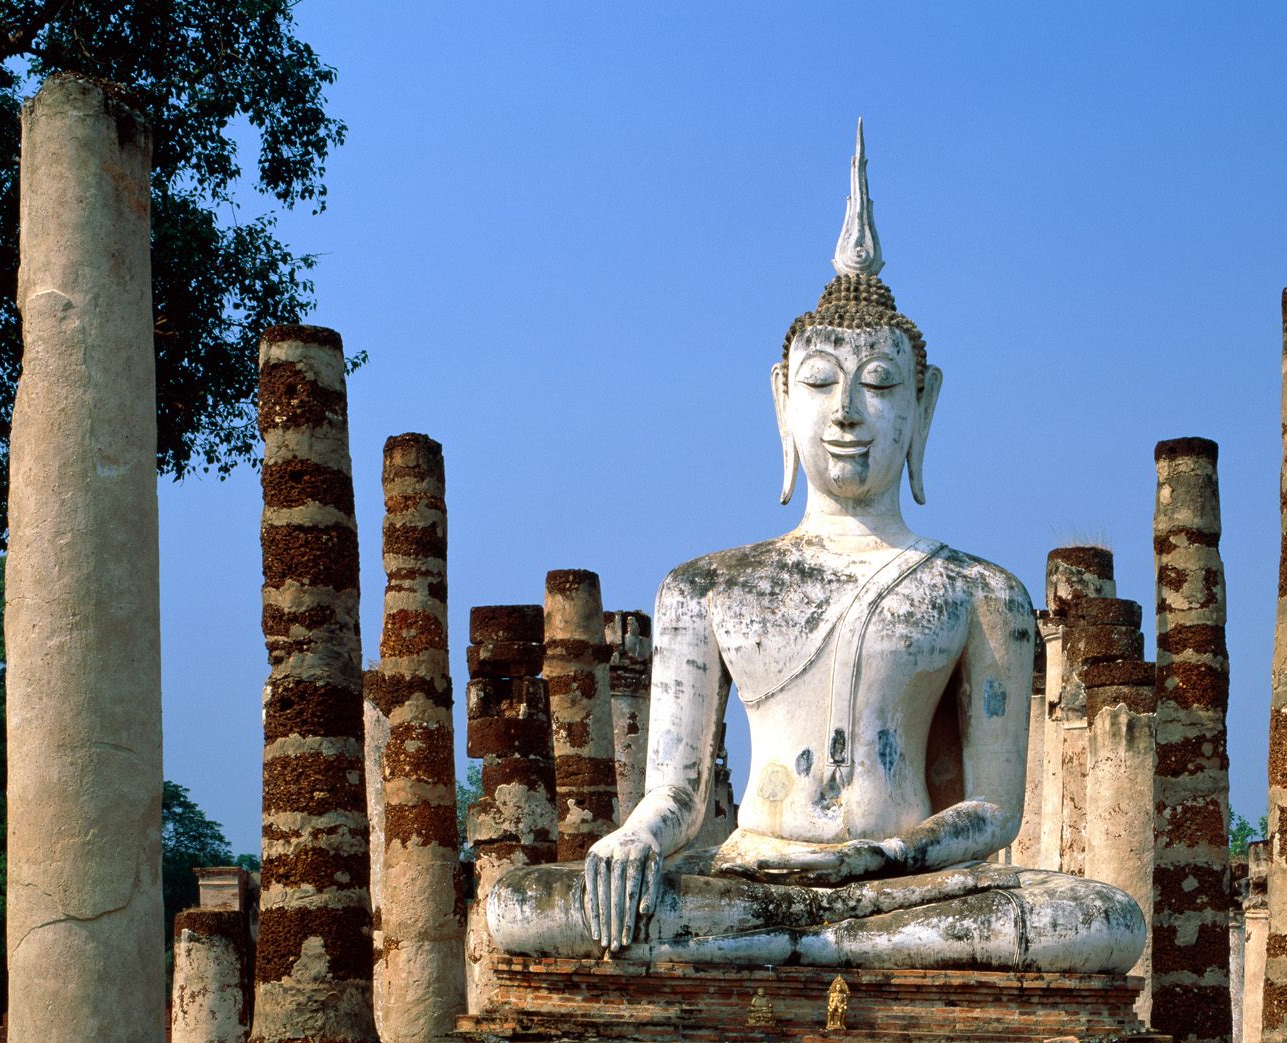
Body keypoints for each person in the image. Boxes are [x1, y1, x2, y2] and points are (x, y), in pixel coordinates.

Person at [488, 126, 1143, 974]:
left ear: (923, 406)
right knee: (519, 905)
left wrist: (879, 859)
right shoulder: (706, 588)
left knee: (1100, 919)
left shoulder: (982, 592)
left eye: (877, 385)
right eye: (821, 383)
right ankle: (796, 940)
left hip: (904, 889)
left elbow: (993, 810)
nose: (847, 415)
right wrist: (637, 836)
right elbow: (677, 795)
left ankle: (791, 947)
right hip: (749, 876)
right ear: (781, 401)